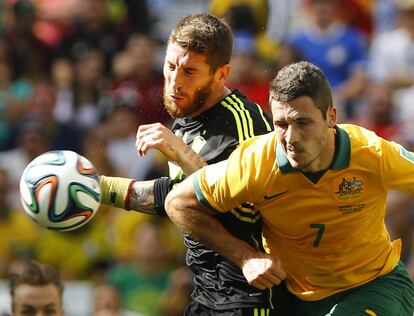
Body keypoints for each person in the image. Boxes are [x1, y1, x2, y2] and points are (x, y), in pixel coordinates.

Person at [165, 61, 414, 316]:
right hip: (297, 299)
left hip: (375, 286)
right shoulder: (256, 163)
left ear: (331, 117)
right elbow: (178, 203)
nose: (291, 138)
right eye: (281, 125)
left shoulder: (372, 153)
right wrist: (245, 257)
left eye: (303, 123)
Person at [99, 13, 274, 315]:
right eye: (170, 67)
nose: (175, 83)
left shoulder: (244, 126)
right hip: (205, 294)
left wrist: (181, 153)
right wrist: (97, 187)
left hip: (250, 295)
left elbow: (247, 209)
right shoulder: (187, 111)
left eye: (190, 72)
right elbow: (181, 195)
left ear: (221, 74)